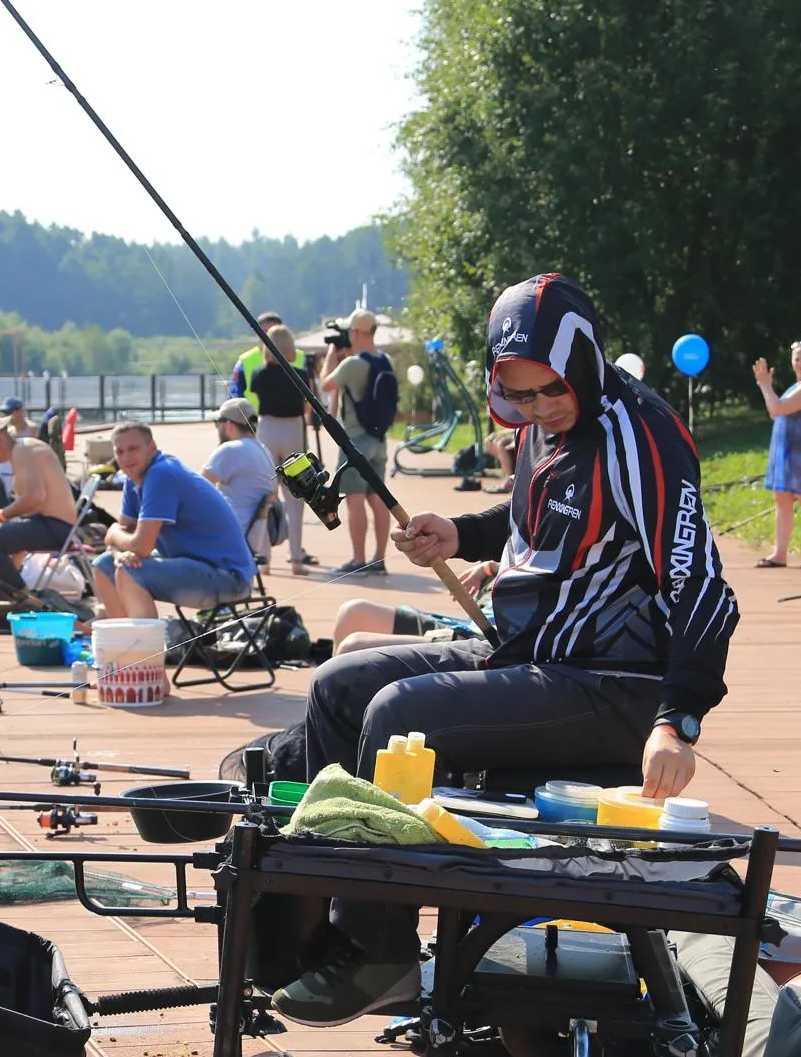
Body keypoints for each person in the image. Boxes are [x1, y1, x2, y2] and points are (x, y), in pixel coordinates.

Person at [271, 273, 740, 1028]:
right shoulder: (542, 426)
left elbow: (706, 589)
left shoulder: (641, 439)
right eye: (517, 396)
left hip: (613, 685)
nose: (536, 409)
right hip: (531, 658)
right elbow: (535, 517)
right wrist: (461, 533)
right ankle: (318, 929)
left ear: (582, 360)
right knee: (338, 686)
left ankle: (379, 950)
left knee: (398, 715)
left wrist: (676, 718)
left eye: (549, 391)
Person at [92, 422, 257, 620]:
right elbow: (127, 534)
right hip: (193, 567)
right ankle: (120, 641)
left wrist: (113, 534)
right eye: (120, 452)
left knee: (129, 571)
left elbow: (140, 545)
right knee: (103, 565)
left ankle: (144, 648)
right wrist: (120, 552)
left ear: (152, 447)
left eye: (133, 449)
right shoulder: (133, 478)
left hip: (229, 578)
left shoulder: (161, 473)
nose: (126, 458)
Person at [0, 410, 82, 605]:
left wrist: (1, 515)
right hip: (45, 522)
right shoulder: (21, 450)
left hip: (55, 526)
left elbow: (34, 498)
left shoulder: (23, 449)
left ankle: (21, 596)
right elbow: (31, 505)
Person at [318, 308, 396, 576]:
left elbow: (326, 385)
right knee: (378, 498)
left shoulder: (352, 365)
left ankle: (359, 560)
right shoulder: (385, 360)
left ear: (355, 332)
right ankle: (379, 559)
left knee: (355, 498)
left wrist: (330, 356)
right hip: (379, 439)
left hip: (356, 441)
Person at [245, 324, 318, 574]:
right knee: (296, 495)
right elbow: (308, 404)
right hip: (293, 429)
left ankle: (264, 559)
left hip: (267, 429)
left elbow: (255, 395)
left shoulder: (258, 374)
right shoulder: (300, 374)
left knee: (266, 493)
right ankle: (296, 557)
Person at [755, 341, 801, 570]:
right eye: (797, 358)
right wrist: (766, 387)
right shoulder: (797, 386)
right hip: (784, 448)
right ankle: (780, 553)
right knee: (782, 498)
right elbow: (774, 411)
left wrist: (765, 385)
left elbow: (778, 408)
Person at [328, 561, 499, 655]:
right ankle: (323, 711)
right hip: (466, 627)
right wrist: (490, 567)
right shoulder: (519, 528)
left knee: (354, 645)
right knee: (353, 611)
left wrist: (461, 636)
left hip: (482, 643)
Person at [202, 398, 279, 572]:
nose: (217, 429)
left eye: (217, 423)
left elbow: (195, 489)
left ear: (228, 425)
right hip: (252, 539)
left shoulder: (230, 450)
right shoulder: (264, 450)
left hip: (227, 537)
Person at [226, 311, 293, 404]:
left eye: (273, 332)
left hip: (292, 418)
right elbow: (235, 396)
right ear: (257, 333)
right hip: (254, 417)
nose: (270, 336)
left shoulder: (301, 357)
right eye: (265, 331)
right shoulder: (244, 361)